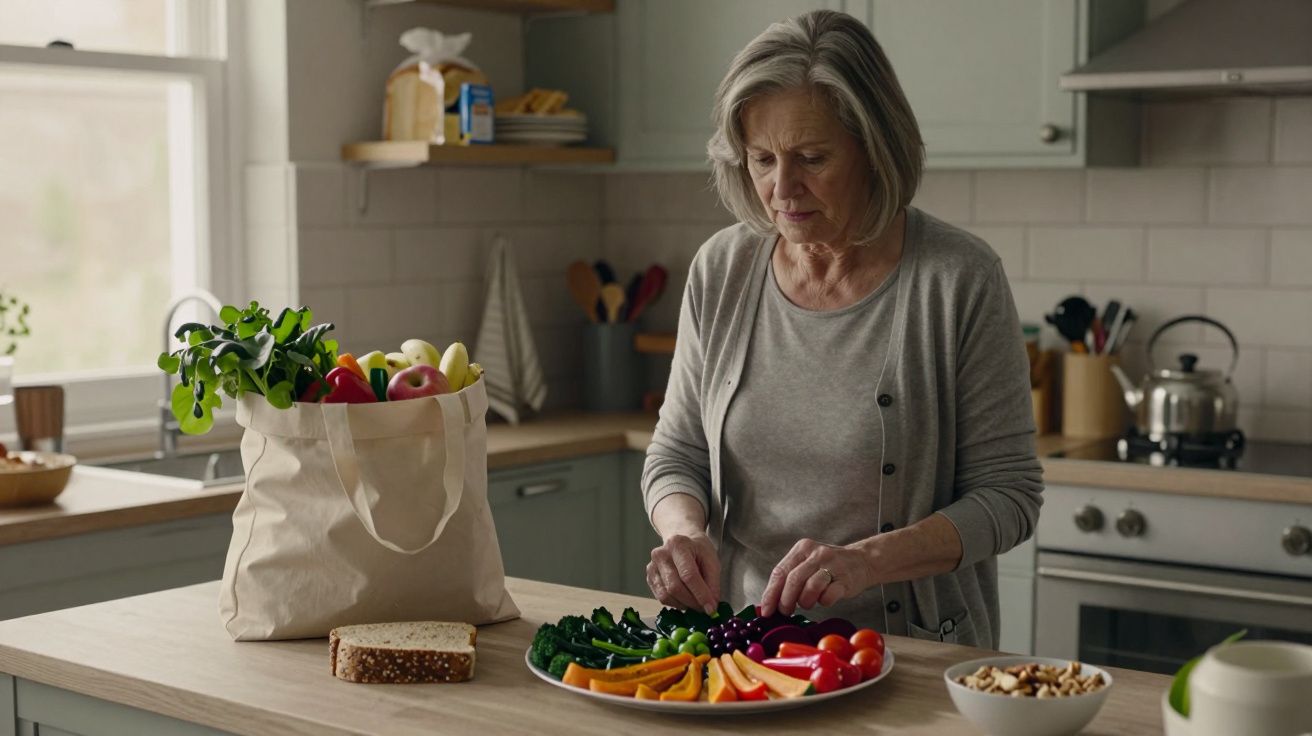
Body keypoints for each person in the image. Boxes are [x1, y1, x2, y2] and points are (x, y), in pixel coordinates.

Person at [640, 9, 1043, 649]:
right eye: (762, 159)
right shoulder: (722, 268)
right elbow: (676, 453)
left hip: (910, 654)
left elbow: (1010, 497)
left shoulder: (958, 278)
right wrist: (683, 533)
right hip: (745, 651)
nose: (782, 188)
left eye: (811, 157)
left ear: (874, 149)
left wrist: (868, 561)